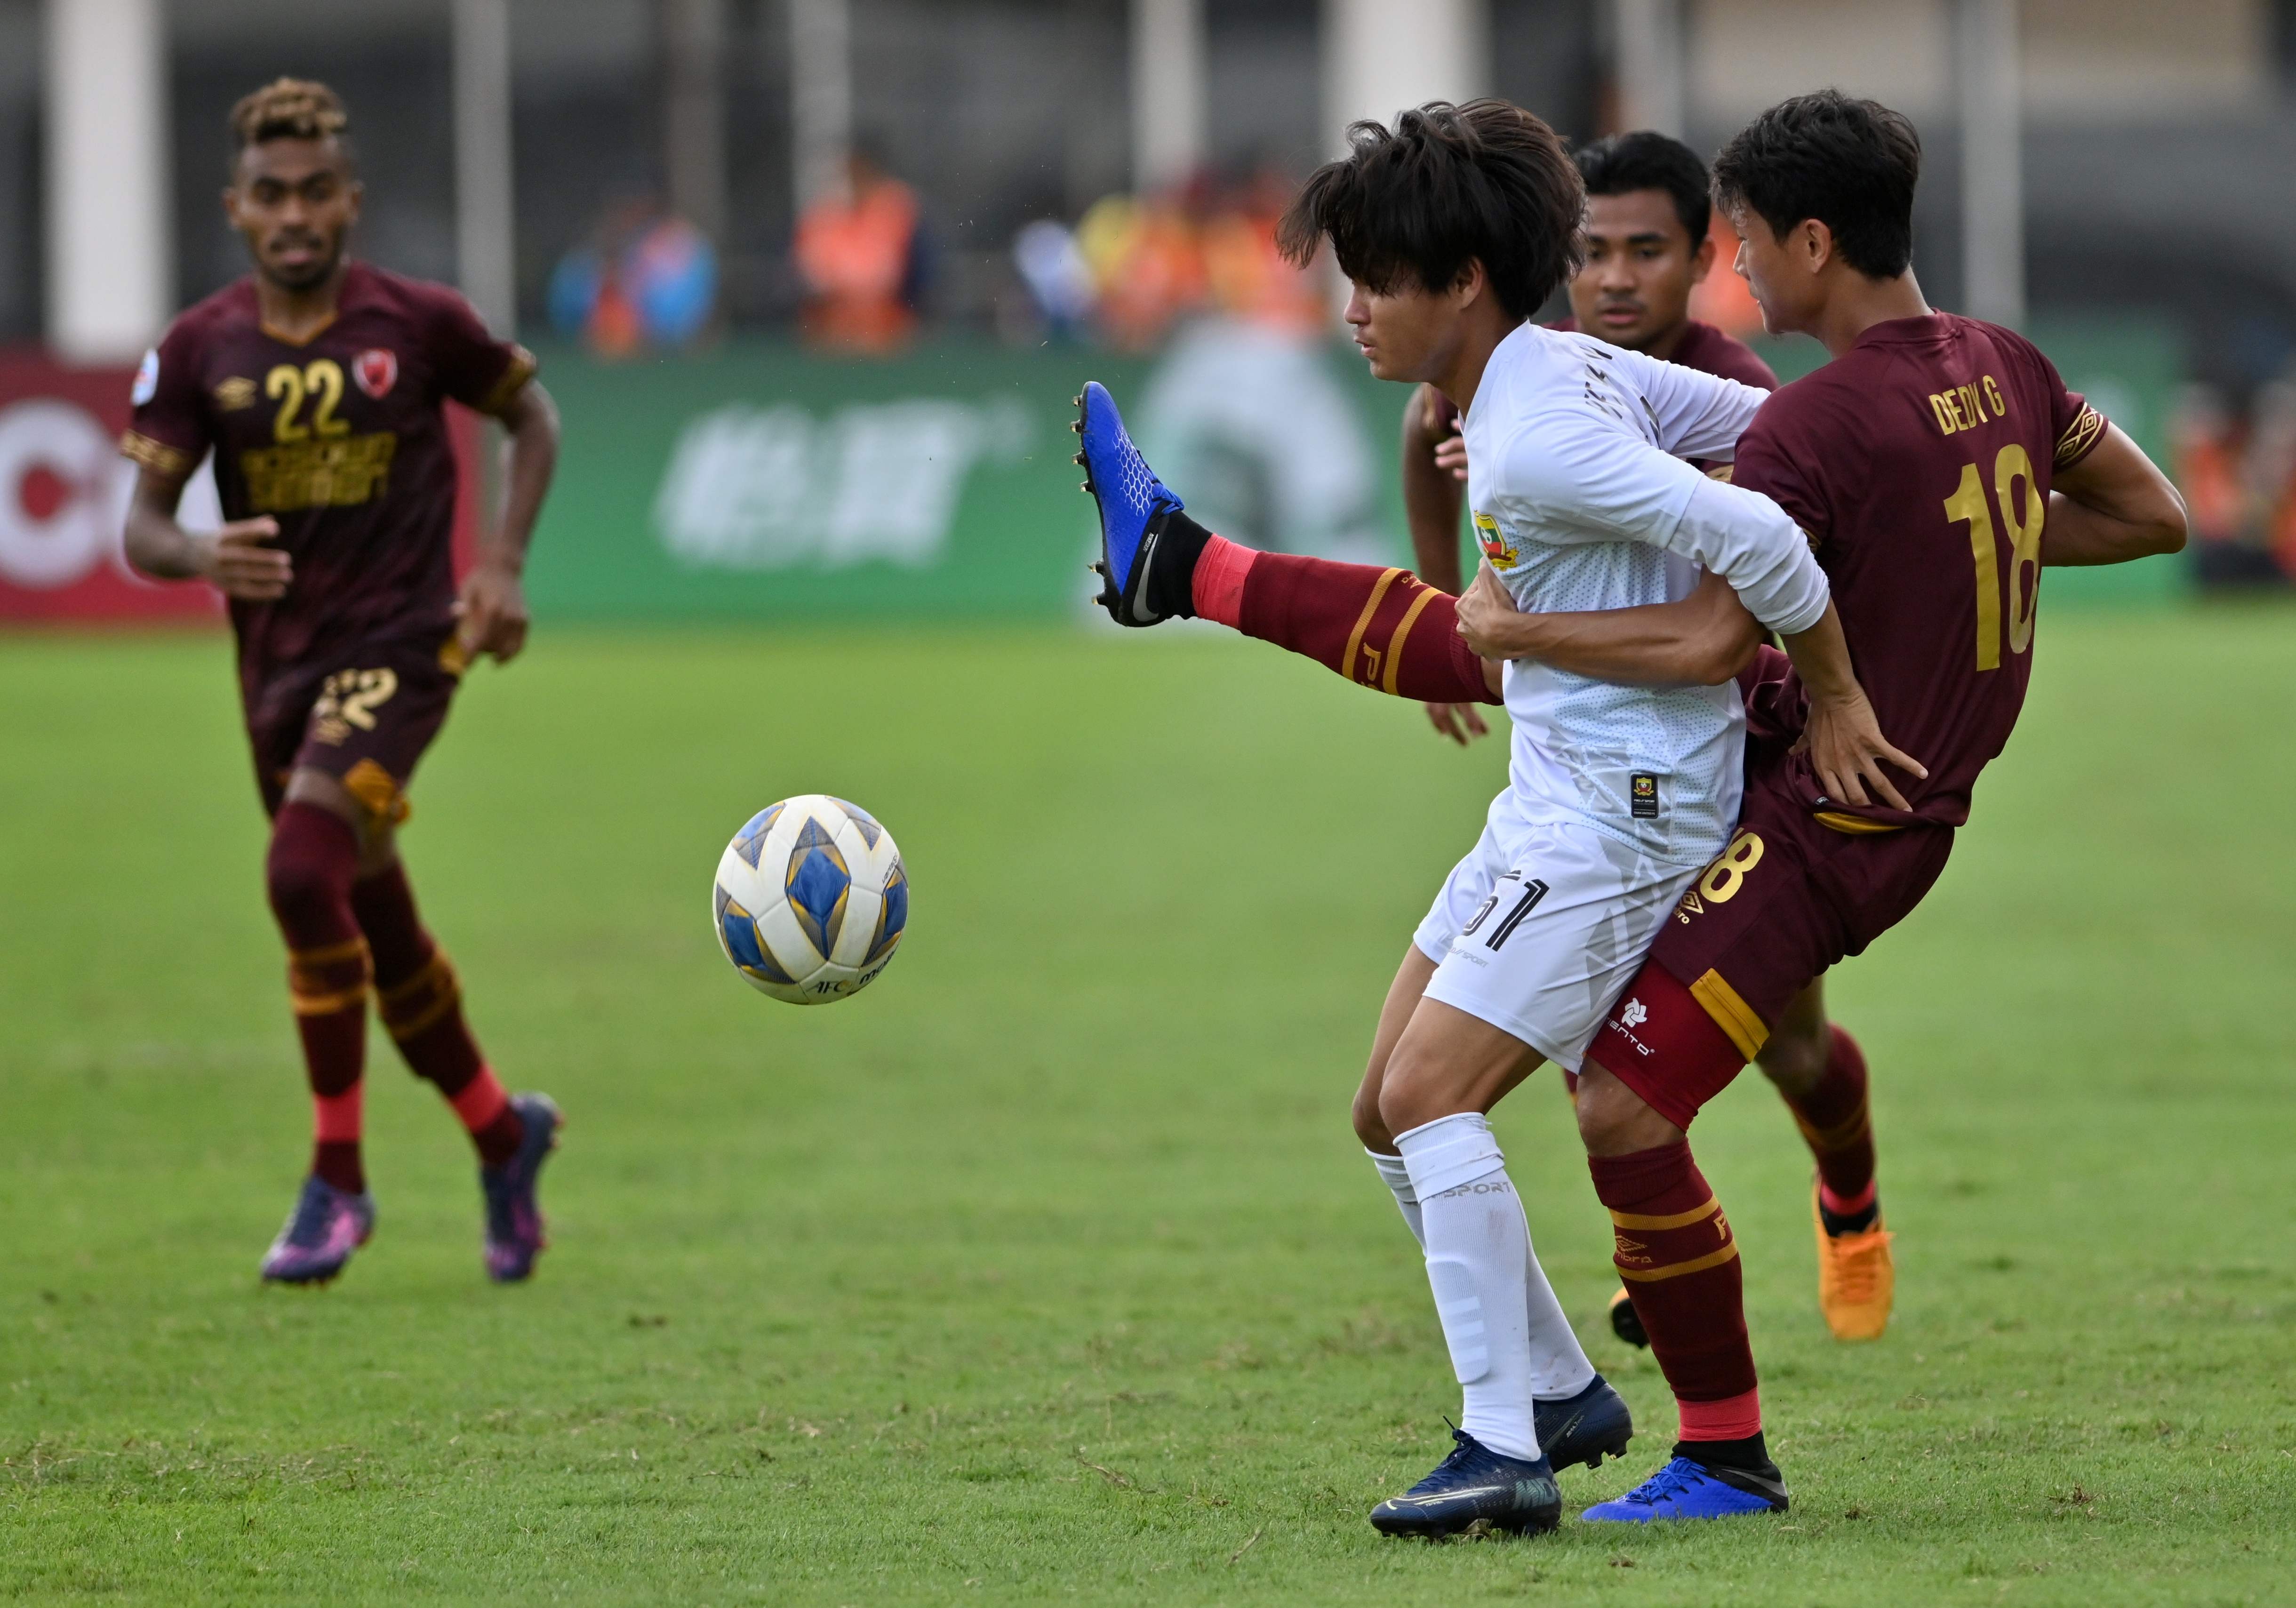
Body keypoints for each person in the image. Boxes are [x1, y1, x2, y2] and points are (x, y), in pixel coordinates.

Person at [1072, 100, 1911, 1539]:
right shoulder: (1554, 375)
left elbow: (1769, 533)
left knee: (1429, 1101)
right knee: (1382, 1112)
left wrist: (1828, 690)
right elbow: (1778, 434)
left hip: (1626, 822)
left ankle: (1499, 1449)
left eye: (1375, 281)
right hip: (1557, 797)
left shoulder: (1537, 441)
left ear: (1463, 281)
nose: (1352, 312)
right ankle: (1560, 1392)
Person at [1567, 91, 2186, 1522]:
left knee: (1619, 1104)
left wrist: (1510, 627)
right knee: (1772, 1048)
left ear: (1813, 241)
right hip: (1838, 791)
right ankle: (1823, 1206)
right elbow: (2150, 514)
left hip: (1834, 818)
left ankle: (1724, 1456)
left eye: (1742, 242)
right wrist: (1950, 547)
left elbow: (1710, 639)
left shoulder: (1816, 421)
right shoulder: (2006, 365)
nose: (1736, 270)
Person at [1415, 130, 1896, 1352]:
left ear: (1700, 262)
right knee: (1598, 1042)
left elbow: (1742, 601)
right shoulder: (1520, 370)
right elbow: (1425, 430)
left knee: (1790, 1047)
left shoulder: (1734, 387)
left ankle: (1848, 1197)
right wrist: (1448, 603)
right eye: (1592, 251)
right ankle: (1661, 1244)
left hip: (1750, 744)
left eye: (1647, 250)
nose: (1616, 277)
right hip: (1611, 764)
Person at [118, 80, 566, 1286]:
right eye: (271, 195)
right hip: (278, 674)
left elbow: (531, 418)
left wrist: (501, 565)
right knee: (373, 915)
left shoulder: (419, 322)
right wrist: (200, 553)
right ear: (236, 209)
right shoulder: (199, 348)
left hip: (406, 648)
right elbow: (142, 528)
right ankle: (502, 1132)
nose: (295, 215)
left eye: (316, 191)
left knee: (297, 872)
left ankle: (339, 1181)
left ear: (350, 201)